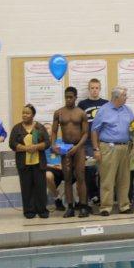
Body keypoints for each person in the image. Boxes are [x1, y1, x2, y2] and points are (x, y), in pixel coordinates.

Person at [91, 87, 134, 216]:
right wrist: (96, 149)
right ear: (117, 97)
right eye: (124, 95)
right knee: (107, 179)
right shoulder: (103, 110)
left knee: (124, 178)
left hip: (125, 147)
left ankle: (124, 206)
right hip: (108, 148)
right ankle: (105, 207)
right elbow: (94, 130)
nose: (126, 98)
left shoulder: (128, 110)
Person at [52, 87, 89, 218]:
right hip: (65, 148)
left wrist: (77, 146)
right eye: (66, 97)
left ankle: (83, 206)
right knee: (67, 178)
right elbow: (54, 131)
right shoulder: (59, 113)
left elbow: (85, 134)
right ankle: (70, 207)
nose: (68, 99)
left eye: (71, 97)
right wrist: (54, 145)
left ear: (75, 97)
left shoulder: (81, 113)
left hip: (78, 148)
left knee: (80, 177)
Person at [8, 104, 50, 219]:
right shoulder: (17, 128)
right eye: (23, 113)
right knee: (26, 188)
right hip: (23, 164)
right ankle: (29, 212)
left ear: (33, 115)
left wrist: (36, 147)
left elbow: (47, 142)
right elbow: (12, 144)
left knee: (40, 187)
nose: (24, 115)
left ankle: (42, 211)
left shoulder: (39, 127)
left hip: (39, 163)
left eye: (27, 113)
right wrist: (26, 148)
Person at [77, 79, 109, 206]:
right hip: (88, 142)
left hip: (105, 140)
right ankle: (94, 194)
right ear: (89, 89)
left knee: (105, 168)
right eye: (92, 88)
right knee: (89, 168)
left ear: (100, 89)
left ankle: (104, 195)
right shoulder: (82, 104)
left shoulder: (106, 104)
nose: (94, 90)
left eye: (97, 88)